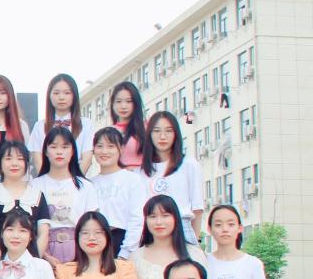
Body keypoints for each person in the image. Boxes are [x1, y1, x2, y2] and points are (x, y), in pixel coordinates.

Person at [29, 127, 99, 265]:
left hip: (79, 252)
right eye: (53, 147)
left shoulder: (85, 186)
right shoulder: (34, 185)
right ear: (46, 152)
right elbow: (29, 225)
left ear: (73, 151)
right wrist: (44, 256)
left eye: (65, 147)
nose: (59, 152)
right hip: (42, 252)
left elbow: (91, 225)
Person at [0, 141, 50, 260]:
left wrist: (32, 263)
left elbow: (44, 234)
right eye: (8, 158)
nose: (14, 163)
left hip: (30, 264)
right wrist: (1, 262)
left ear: (26, 164)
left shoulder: (37, 195)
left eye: (20, 159)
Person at [140, 112, 204, 245]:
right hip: (151, 231)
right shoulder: (141, 170)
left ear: (176, 134)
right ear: (149, 134)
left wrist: (195, 243)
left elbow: (197, 208)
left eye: (168, 131)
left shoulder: (189, 164)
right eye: (157, 131)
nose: (162, 136)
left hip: (182, 230)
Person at [91, 127, 146, 258]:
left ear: (121, 149)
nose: (104, 151)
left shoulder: (132, 179)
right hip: (94, 242)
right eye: (100, 146)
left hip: (121, 240)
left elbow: (137, 219)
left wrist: (125, 253)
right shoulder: (89, 184)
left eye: (110, 146)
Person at [29, 73, 94, 172]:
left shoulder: (86, 124)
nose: (61, 97)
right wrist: (47, 179)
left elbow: (87, 158)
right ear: (49, 96)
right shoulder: (40, 126)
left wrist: (74, 180)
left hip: (77, 177)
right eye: (56, 93)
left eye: (67, 93)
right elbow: (37, 159)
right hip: (47, 178)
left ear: (74, 95)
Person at [109, 82, 145, 170]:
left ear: (136, 103)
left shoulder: (147, 128)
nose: (123, 106)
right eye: (118, 101)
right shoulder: (109, 132)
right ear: (112, 104)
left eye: (128, 101)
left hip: (144, 176)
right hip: (119, 177)